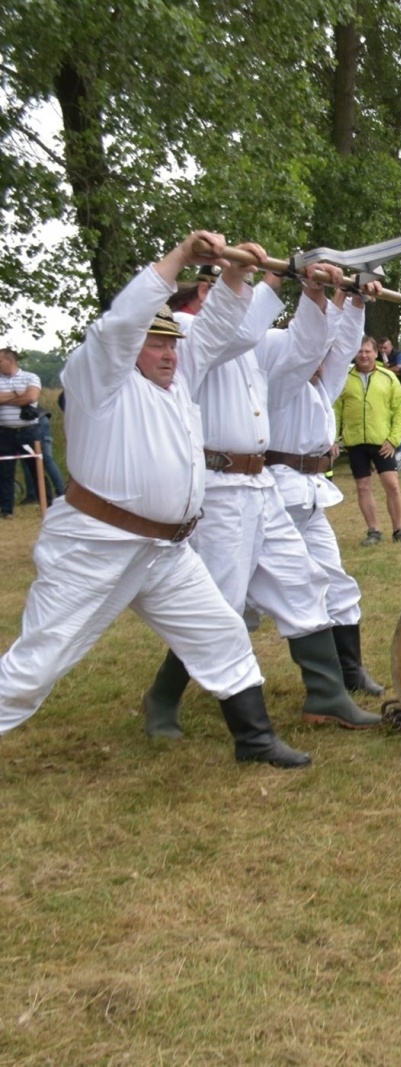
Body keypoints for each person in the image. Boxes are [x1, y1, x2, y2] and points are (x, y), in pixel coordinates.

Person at [0, 231, 308, 768]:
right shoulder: (99, 379)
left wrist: (236, 275)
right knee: (39, 663)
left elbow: (215, 329)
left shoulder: (179, 378)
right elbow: (119, 325)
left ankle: (255, 741)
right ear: (131, 350)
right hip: (96, 546)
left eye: (171, 344)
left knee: (221, 632)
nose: (169, 354)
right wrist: (182, 257)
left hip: (166, 551)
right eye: (156, 345)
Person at [140, 255, 384, 739]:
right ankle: (162, 696)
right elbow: (235, 331)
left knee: (302, 582)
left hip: (261, 483)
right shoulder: (189, 332)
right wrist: (275, 277)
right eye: (236, 286)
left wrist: (316, 293)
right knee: (223, 602)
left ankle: (327, 695)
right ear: (205, 294)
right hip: (219, 487)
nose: (244, 294)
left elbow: (309, 348)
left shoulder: (253, 343)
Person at [263, 278, 388, 698]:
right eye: (313, 351)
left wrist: (356, 299)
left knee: (336, 581)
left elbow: (343, 341)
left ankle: (349, 672)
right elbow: (311, 339)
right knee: (239, 600)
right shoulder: (279, 382)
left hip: (311, 496)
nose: (323, 359)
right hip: (276, 498)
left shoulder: (322, 384)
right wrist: (324, 295)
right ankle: (170, 687)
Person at [334, 336, 401, 546]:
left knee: (392, 485)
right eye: (360, 351)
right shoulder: (343, 377)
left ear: (376, 353)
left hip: (382, 441)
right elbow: (335, 410)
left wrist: (394, 439)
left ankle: (399, 530)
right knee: (363, 486)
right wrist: (333, 438)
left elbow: (400, 410)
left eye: (367, 351)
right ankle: (374, 531)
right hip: (355, 441)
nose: (363, 355)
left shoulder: (388, 377)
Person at [0, 346, 49, 515]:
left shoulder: (31, 377)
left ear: (10, 361)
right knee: (5, 472)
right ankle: (6, 510)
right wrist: (17, 394)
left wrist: (5, 398)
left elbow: (32, 397)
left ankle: (48, 504)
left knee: (37, 469)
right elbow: (25, 397)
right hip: (4, 432)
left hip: (29, 431)